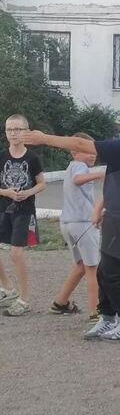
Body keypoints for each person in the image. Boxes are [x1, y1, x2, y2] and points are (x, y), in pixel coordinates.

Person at [24, 101, 120, 341]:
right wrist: (99, 208)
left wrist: (43, 138)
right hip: (117, 216)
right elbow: (115, 182)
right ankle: (107, 319)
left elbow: (80, 144)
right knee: (104, 271)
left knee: (112, 274)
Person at [49, 133, 105, 320]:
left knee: (81, 266)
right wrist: (100, 174)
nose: (92, 154)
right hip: (82, 224)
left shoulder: (72, 167)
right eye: (87, 150)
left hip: (68, 223)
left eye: (93, 150)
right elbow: (78, 180)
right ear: (74, 152)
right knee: (92, 268)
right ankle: (95, 312)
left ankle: (60, 302)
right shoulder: (80, 167)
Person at [0, 114, 46, 317]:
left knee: (16, 254)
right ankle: (8, 288)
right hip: (3, 209)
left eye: (17, 129)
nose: (13, 133)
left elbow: (42, 184)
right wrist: (6, 192)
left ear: (26, 131)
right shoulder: (2, 156)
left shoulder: (32, 158)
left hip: (24, 211)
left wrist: (28, 192)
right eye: (9, 129)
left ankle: (24, 299)